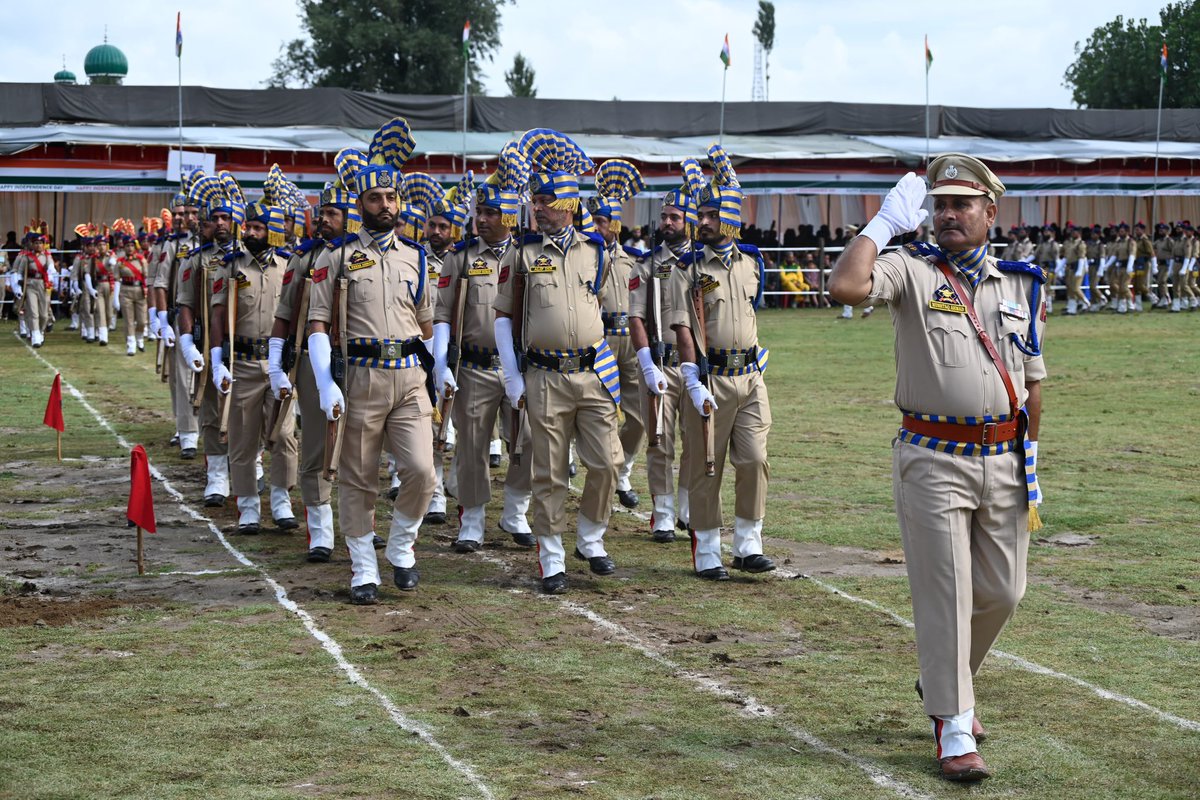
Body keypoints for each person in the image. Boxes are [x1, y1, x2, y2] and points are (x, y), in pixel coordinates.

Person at [828, 154, 1046, 782]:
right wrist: (882, 225)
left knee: (1005, 590)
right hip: (933, 457)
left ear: (990, 212)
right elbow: (845, 288)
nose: (948, 214)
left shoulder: (1022, 284)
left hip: (1005, 457)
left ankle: (940, 679)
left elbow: (1033, 379)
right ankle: (954, 728)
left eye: (961, 205)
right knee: (946, 591)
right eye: (938, 204)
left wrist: (1031, 456)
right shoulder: (912, 271)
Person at [307, 119, 437, 606]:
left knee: (422, 471)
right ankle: (364, 566)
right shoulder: (337, 257)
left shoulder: (417, 257)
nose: (387, 205)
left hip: (408, 378)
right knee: (358, 479)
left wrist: (436, 372)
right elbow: (318, 322)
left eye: (392, 197)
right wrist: (325, 382)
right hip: (359, 377)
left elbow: (427, 324)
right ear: (360, 203)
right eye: (377, 198)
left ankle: (402, 545)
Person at [493, 128, 622, 595]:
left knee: (607, 463)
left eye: (546, 201)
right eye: (535, 201)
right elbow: (504, 318)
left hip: (593, 372)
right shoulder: (522, 253)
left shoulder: (596, 251)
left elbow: (606, 308)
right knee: (548, 470)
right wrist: (512, 378)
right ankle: (551, 558)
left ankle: (591, 538)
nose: (537, 208)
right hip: (544, 375)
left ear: (568, 204)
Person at [669, 145, 775, 582]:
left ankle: (749, 544)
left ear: (731, 218)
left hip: (751, 376)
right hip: (709, 378)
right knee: (705, 466)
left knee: (753, 460)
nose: (704, 222)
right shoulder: (688, 268)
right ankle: (708, 549)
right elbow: (681, 325)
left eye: (713, 215)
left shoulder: (753, 263)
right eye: (702, 215)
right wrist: (692, 377)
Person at [432, 153, 535, 552]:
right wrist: (442, 362)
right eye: (481, 211)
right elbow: (442, 313)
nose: (483, 219)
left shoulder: (527, 256)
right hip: (474, 366)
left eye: (492, 212)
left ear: (509, 216)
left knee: (527, 441)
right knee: (472, 447)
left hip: (521, 368)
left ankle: (515, 511)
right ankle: (472, 520)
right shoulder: (460, 257)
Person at [269, 169, 359, 562]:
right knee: (317, 448)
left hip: (364, 363)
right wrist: (276, 363)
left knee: (361, 450)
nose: (322, 219)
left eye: (331, 213)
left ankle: (360, 525)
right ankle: (321, 531)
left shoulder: (368, 255)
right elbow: (285, 313)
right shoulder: (304, 258)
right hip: (314, 360)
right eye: (321, 212)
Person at [210, 175, 298, 534]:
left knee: (285, 435)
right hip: (244, 362)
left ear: (273, 232)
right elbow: (217, 314)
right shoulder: (231, 266)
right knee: (243, 438)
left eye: (259, 227)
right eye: (248, 225)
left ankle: (281, 500)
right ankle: (247, 506)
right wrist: (217, 361)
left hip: (279, 363)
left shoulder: (290, 266)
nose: (250, 231)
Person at [628, 164, 701, 543]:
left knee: (696, 439)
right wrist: (644, 364)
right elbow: (636, 317)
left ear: (690, 221)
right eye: (665, 216)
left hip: (697, 369)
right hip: (660, 363)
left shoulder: (703, 263)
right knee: (659, 439)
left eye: (676, 217)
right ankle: (662, 511)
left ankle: (686, 504)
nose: (668, 222)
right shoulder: (648, 264)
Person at [177, 171, 241, 506]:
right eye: (214, 217)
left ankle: (250, 467)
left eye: (226, 217)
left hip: (246, 347)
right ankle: (216, 475)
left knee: (249, 411)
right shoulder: (195, 260)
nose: (220, 223)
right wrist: (188, 343)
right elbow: (186, 303)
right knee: (214, 413)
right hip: (210, 344)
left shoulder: (249, 258)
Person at [587, 158, 648, 509]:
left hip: (631, 340)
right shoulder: (585, 256)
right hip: (600, 340)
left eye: (602, 221)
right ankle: (605, 472)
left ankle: (623, 469)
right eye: (593, 220)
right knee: (601, 411)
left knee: (639, 416)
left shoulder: (635, 259)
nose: (597, 226)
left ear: (616, 224)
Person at [153, 190, 202, 457]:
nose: (188, 218)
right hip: (181, 316)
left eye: (193, 213)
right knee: (182, 378)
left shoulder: (217, 245)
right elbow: (160, 282)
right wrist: (162, 319)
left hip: (211, 320)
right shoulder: (172, 244)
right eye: (183, 213)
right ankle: (188, 434)